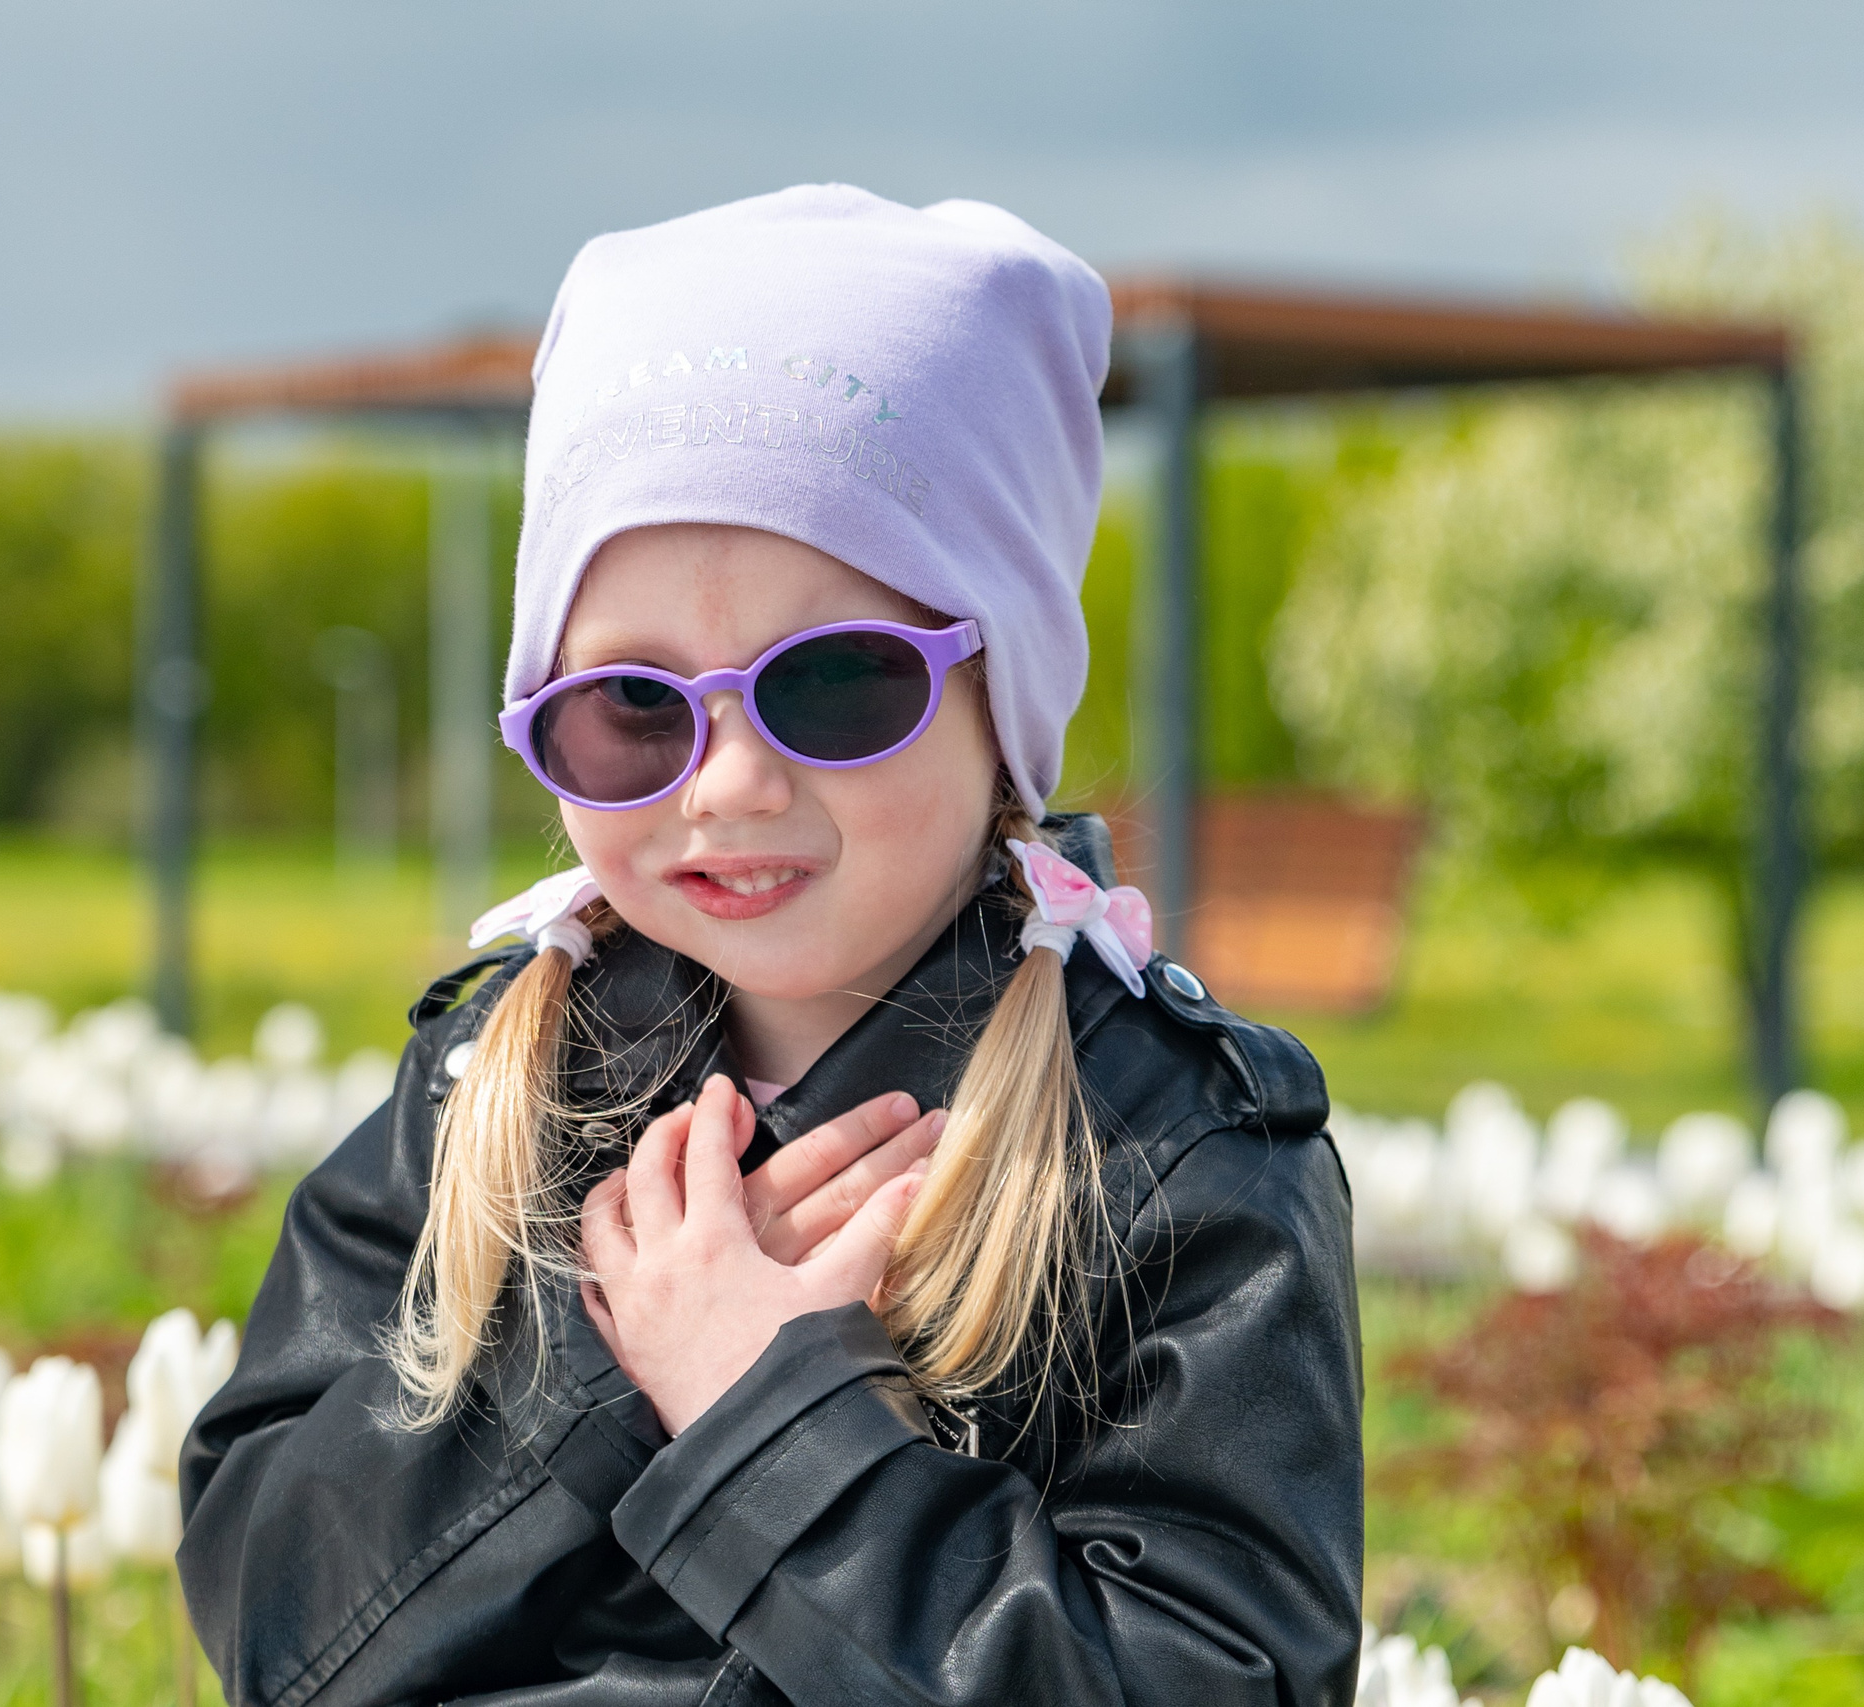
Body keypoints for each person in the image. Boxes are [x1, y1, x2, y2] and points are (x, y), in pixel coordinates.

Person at [177, 185, 1362, 1707]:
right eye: (631, 710)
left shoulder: (1170, 1152)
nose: (728, 783)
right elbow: (276, 1621)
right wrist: (604, 1362)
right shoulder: (490, 1086)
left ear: (1005, 699)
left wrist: (770, 1414)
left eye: (839, 684)